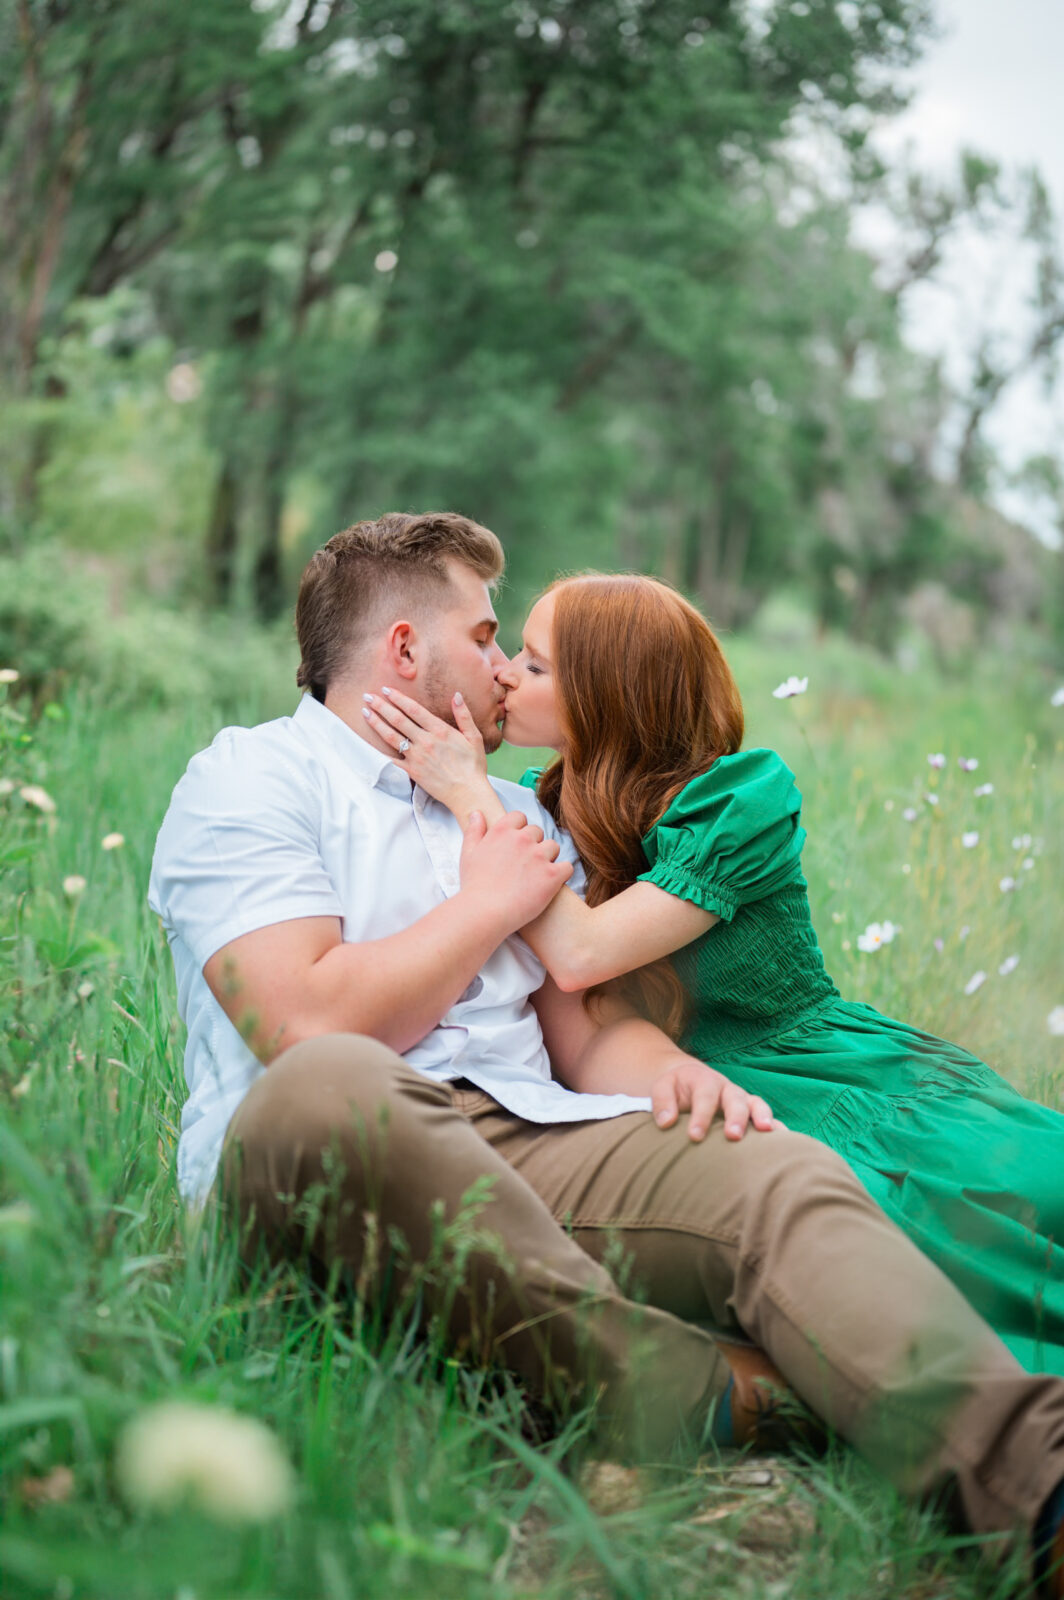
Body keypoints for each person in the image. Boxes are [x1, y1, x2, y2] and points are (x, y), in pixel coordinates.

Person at [150, 515, 1064, 1589]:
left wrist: (670, 1076)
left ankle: (1034, 1487)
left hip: (531, 1137)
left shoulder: (506, 805)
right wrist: (488, 897)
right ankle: (707, 1389)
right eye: (488, 638)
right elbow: (303, 1023)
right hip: (334, 1142)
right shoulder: (250, 779)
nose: (502, 672)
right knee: (332, 1087)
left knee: (768, 1167)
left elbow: (579, 1031)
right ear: (403, 650)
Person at [362, 569, 1064, 1386]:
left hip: (825, 1080)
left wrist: (467, 792)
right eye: (513, 651)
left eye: (539, 664)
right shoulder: (542, 802)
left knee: (998, 1223)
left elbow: (582, 953)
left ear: (611, 694)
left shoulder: (738, 798)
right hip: (676, 1096)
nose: (509, 673)